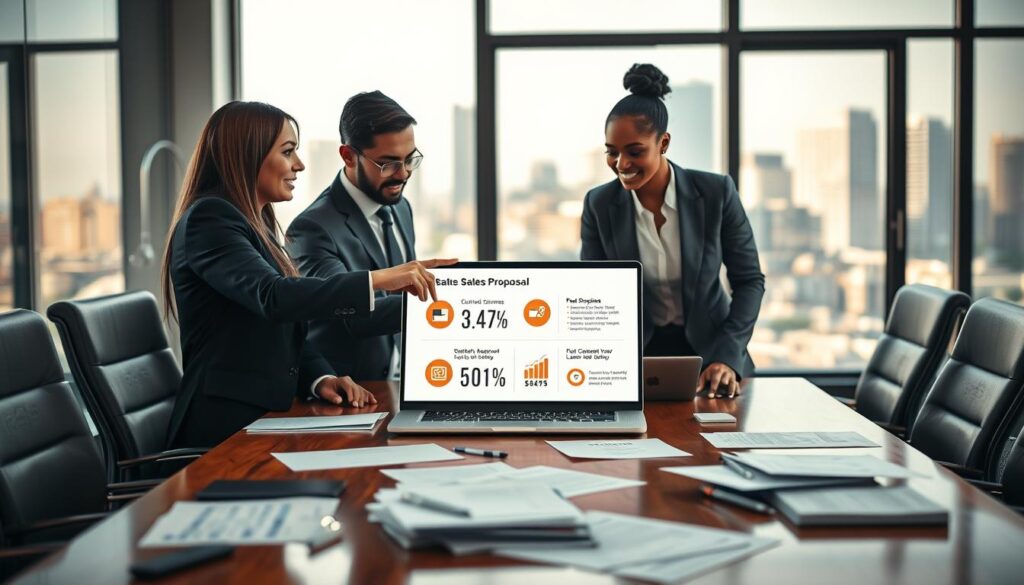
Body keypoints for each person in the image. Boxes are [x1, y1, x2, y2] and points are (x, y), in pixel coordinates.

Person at [161, 101, 455, 449]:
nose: (299, 165)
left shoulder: (257, 225)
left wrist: (320, 377)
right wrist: (380, 279)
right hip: (223, 430)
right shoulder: (210, 219)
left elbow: (280, 331)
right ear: (247, 156)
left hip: (267, 418)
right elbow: (275, 297)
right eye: (288, 152)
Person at [580, 64, 765, 398]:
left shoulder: (716, 193)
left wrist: (727, 356)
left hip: (714, 361)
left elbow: (749, 280)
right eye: (612, 151)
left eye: (635, 151)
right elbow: (593, 294)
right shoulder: (599, 205)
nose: (621, 164)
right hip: (634, 363)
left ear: (663, 143)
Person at [286, 91, 419, 381]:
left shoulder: (401, 208)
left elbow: (408, 288)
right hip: (344, 396)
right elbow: (352, 317)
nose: (404, 173)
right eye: (388, 163)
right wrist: (447, 302)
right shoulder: (311, 229)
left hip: (395, 385)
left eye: (410, 159)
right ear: (348, 156)